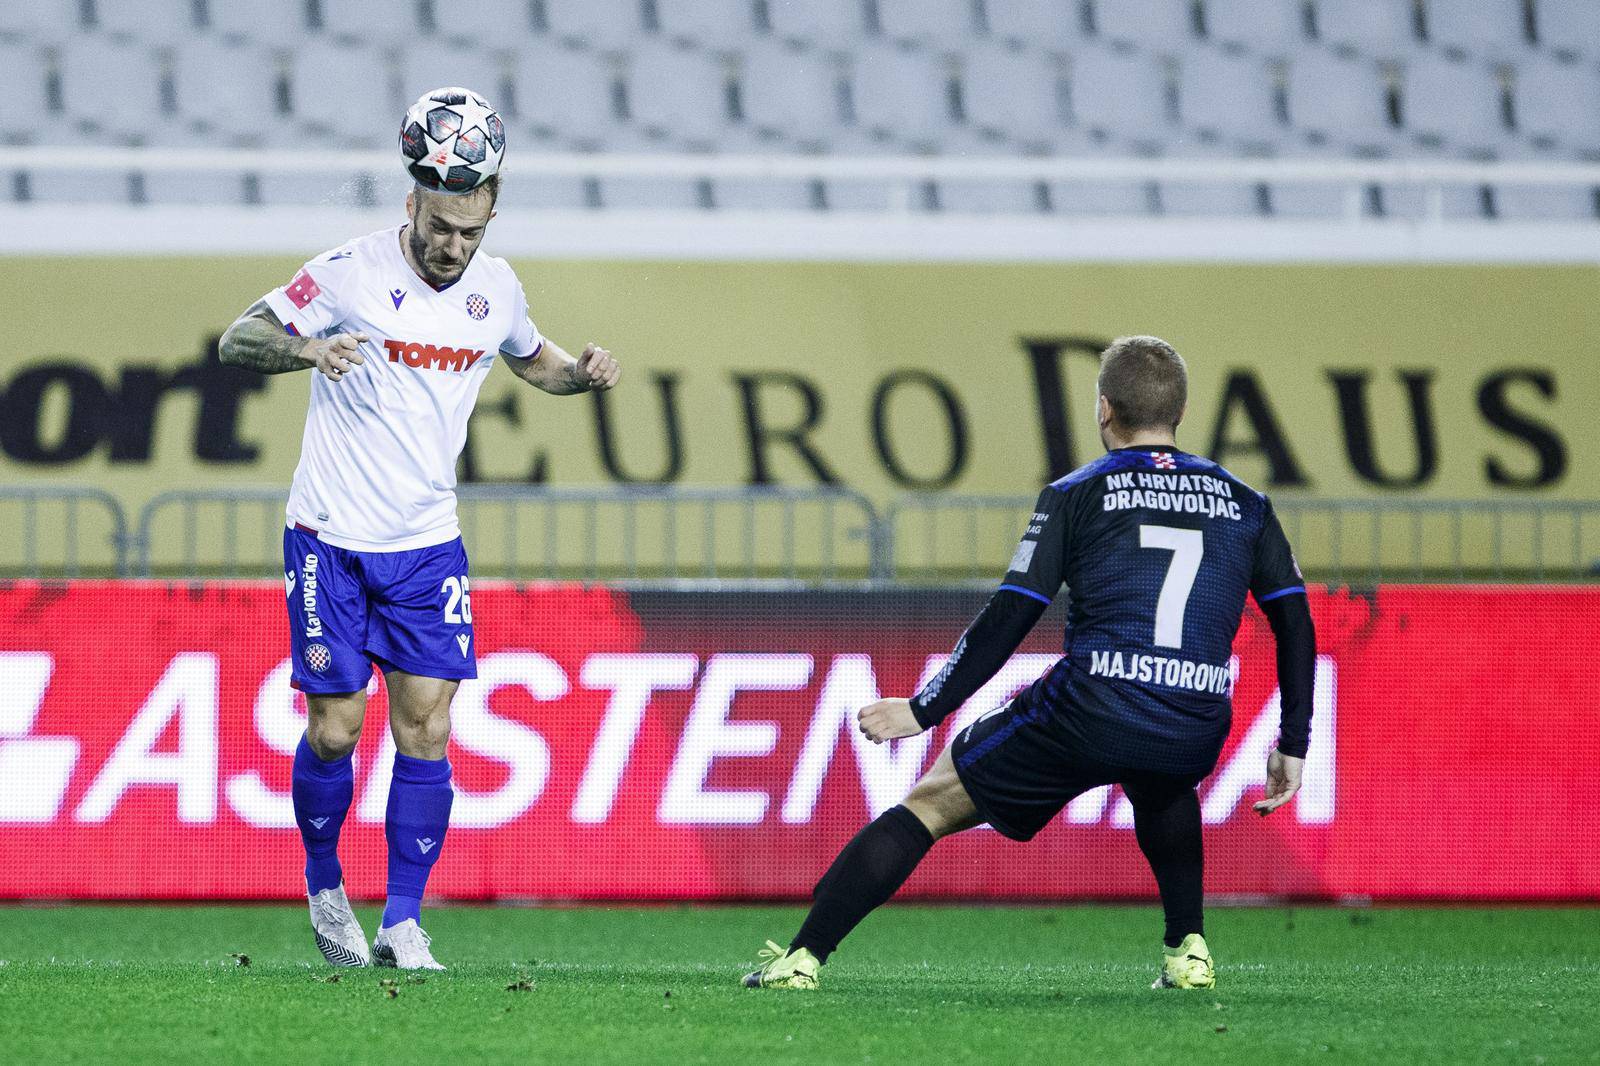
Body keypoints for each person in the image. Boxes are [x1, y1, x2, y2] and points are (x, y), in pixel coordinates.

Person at [744, 335, 1314, 991]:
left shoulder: (1079, 493)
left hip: (1091, 707)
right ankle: (1189, 952)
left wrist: (925, 707)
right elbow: (1294, 619)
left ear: (1105, 409)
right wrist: (1292, 741)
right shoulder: (1244, 500)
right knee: (1163, 779)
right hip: (1193, 716)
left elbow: (1012, 612)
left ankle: (802, 959)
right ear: (1180, 412)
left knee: (931, 803)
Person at [219, 106, 620, 969]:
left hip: (427, 542)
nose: (450, 245)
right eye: (439, 226)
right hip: (329, 536)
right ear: (413, 203)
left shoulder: (496, 288)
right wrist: (308, 353)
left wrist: (579, 378)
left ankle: (402, 920)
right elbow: (238, 336)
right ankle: (327, 889)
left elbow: (530, 357)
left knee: (430, 726)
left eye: (467, 231)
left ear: (491, 211)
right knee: (334, 731)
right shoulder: (345, 272)